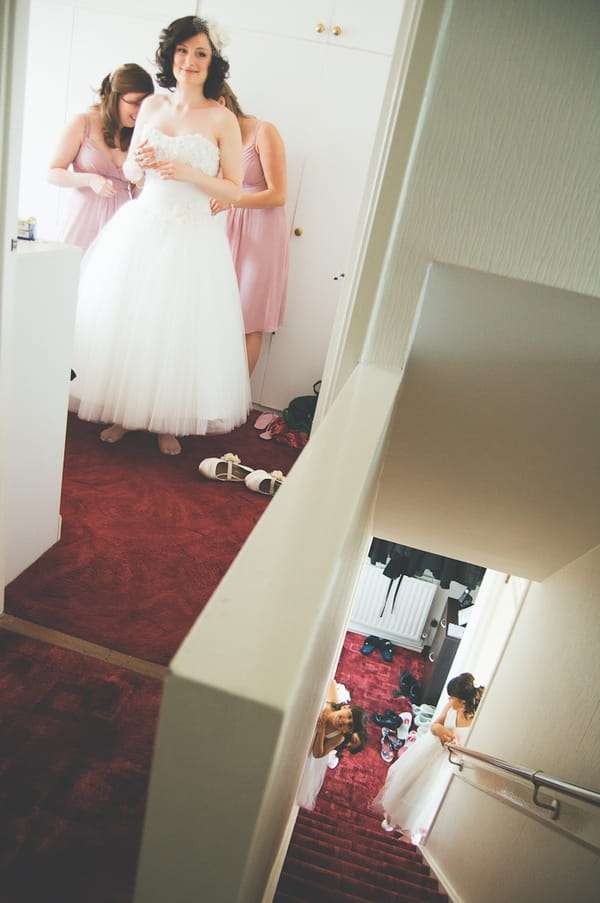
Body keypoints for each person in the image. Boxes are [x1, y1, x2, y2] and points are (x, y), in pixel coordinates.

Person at [69, 16, 251, 455]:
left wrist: (190, 172)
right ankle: (123, 413)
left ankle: (167, 419)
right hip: (143, 222)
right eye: (183, 51)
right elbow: (132, 172)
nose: (189, 61)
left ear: (213, 62)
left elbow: (234, 188)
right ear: (171, 56)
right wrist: (143, 161)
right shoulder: (151, 106)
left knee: (177, 327)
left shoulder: (222, 119)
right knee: (129, 318)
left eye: (200, 53)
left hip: (191, 233)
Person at [211, 83, 289, 374]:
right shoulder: (217, 138)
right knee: (221, 313)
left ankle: (236, 405)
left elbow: (278, 194)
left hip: (261, 231)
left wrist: (232, 200)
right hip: (227, 229)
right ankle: (213, 395)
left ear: (221, 102)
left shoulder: (263, 131)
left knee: (248, 318)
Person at [48, 63, 154, 252]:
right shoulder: (83, 122)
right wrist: (90, 179)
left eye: (145, 105)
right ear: (116, 97)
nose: (140, 112)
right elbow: (53, 173)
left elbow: (137, 195)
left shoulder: (140, 136)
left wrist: (140, 179)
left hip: (118, 224)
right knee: (71, 275)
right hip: (83, 218)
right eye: (135, 103)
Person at [374, 672, 484, 842]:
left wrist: (456, 747)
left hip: (447, 764)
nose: (448, 700)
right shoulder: (451, 708)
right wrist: (440, 730)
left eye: (452, 697)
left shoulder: (476, 722)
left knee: (426, 796)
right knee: (408, 783)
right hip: (430, 752)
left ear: (462, 700)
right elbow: (435, 725)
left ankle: (410, 831)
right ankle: (392, 817)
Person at [297, 679, 368, 810]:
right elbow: (330, 680)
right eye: (349, 716)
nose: (344, 721)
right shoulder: (332, 702)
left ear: (348, 731)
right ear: (346, 707)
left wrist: (321, 730)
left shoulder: (338, 737)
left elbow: (318, 754)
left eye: (349, 725)